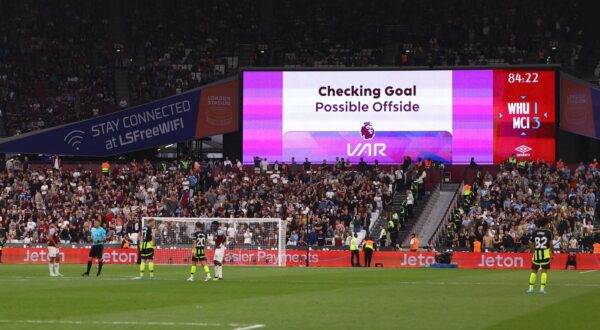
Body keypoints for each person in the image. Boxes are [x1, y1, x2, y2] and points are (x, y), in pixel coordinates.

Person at [527, 217, 553, 294]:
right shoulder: (548, 233)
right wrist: (553, 253)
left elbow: (530, 243)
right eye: (548, 223)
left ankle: (530, 288)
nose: (548, 225)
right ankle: (542, 289)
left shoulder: (535, 232)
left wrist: (533, 252)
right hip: (545, 254)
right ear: (545, 224)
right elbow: (551, 244)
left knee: (533, 271)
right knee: (544, 271)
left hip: (537, 254)